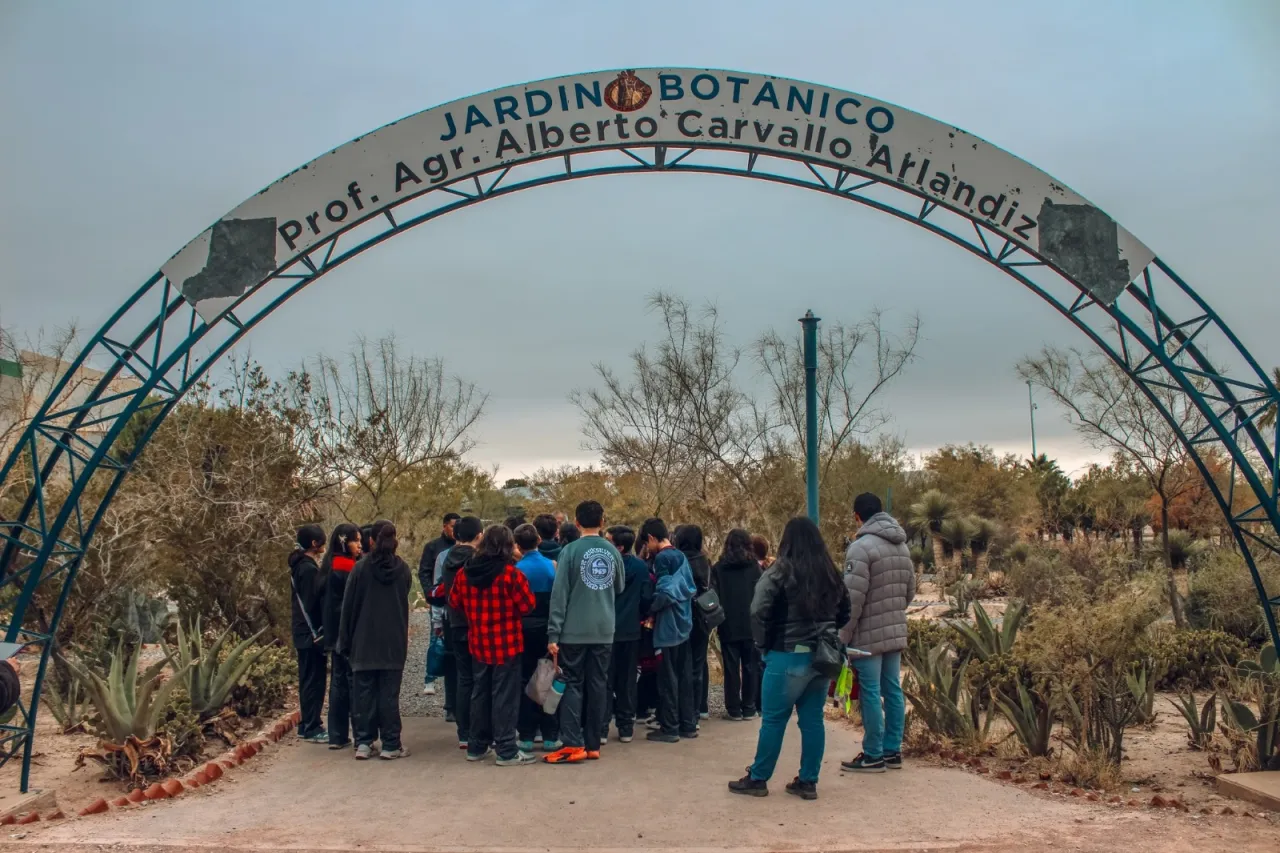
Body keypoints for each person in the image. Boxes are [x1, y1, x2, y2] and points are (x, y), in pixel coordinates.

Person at [729, 516, 851, 800]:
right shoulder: (830, 572)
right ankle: (808, 781)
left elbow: (758, 609)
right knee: (813, 721)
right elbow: (846, 611)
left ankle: (758, 778)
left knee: (773, 720)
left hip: (786, 655)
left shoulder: (779, 571)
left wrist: (763, 644)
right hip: (822, 657)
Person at [839, 492, 915, 773]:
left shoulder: (860, 548)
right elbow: (910, 592)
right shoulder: (902, 546)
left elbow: (852, 600)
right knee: (892, 689)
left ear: (857, 516)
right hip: (894, 631)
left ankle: (872, 754)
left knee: (870, 692)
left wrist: (842, 636)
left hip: (867, 636)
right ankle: (892, 750)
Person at [449, 524, 537, 766]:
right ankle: (506, 748)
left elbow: (454, 602)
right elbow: (528, 605)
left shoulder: (464, 573)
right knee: (504, 696)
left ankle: (477, 745)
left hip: (478, 642)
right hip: (507, 642)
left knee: (480, 692)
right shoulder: (511, 574)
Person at [544, 500, 623, 764]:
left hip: (572, 632)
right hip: (604, 629)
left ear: (576, 523)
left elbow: (560, 595)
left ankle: (572, 743)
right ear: (603, 521)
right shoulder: (612, 551)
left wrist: (553, 634)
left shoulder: (569, 551)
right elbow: (619, 586)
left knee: (572, 684)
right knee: (599, 684)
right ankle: (593, 744)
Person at [339, 520, 411, 760]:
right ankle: (391, 743)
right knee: (389, 695)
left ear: (371, 540)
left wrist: (345, 641)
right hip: (393, 640)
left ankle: (364, 741)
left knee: (364, 694)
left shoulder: (360, 569)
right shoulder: (403, 569)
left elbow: (348, 608)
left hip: (364, 640)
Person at [640, 517, 697, 743]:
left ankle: (670, 727)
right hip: (684, 622)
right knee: (684, 676)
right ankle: (688, 724)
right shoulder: (681, 556)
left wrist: (649, 609)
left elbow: (664, 591)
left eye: (647, 542)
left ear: (652, 538)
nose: (647, 547)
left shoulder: (662, 559)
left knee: (668, 678)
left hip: (667, 625)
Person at [430, 515, 484, 749]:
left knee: (463, 678)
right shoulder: (478, 559)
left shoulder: (446, 558)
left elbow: (439, 591)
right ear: (479, 535)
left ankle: (464, 732)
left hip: (454, 622)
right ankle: (479, 730)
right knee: (480, 678)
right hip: (477, 623)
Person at [512, 523, 561, 752]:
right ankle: (551, 734)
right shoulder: (553, 565)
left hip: (522, 628)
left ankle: (527, 736)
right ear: (539, 540)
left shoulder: (517, 569)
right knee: (548, 677)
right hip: (548, 629)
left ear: (518, 546)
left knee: (525, 680)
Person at [602, 525, 653, 743]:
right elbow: (646, 598)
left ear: (618, 546)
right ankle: (625, 726)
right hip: (631, 630)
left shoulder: (603, 566)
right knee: (627, 680)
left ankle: (601, 727)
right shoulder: (641, 568)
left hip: (604, 629)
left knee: (603, 679)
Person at [712, 528, 762, 721]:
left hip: (728, 623)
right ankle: (749, 707)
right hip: (751, 625)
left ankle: (733, 708)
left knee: (731, 668)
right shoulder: (755, 568)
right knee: (751, 666)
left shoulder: (719, 568)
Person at [322, 522, 361, 749]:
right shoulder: (347, 568)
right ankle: (359, 734)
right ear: (345, 543)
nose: (359, 545)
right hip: (347, 633)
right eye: (355, 540)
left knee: (337, 683)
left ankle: (337, 735)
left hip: (332, 633)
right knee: (352, 682)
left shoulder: (328, 566)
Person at [289, 524, 328, 743]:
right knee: (314, 680)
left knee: (307, 679)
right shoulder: (308, 569)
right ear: (315, 544)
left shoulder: (299, 566)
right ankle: (313, 725)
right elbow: (312, 602)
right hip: (311, 633)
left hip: (302, 631)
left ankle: (306, 724)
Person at [419, 513, 460, 698]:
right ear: (445, 526)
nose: (454, 530)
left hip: (456, 602)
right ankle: (430, 677)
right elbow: (425, 572)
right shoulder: (434, 547)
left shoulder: (465, 546)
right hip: (439, 599)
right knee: (435, 639)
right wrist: (430, 594)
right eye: (452, 526)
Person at [674, 524, 712, 719]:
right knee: (698, 664)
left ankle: (684, 713)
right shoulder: (705, 561)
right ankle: (698, 710)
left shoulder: (679, 560)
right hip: (703, 617)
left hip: (682, 617)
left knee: (681, 666)